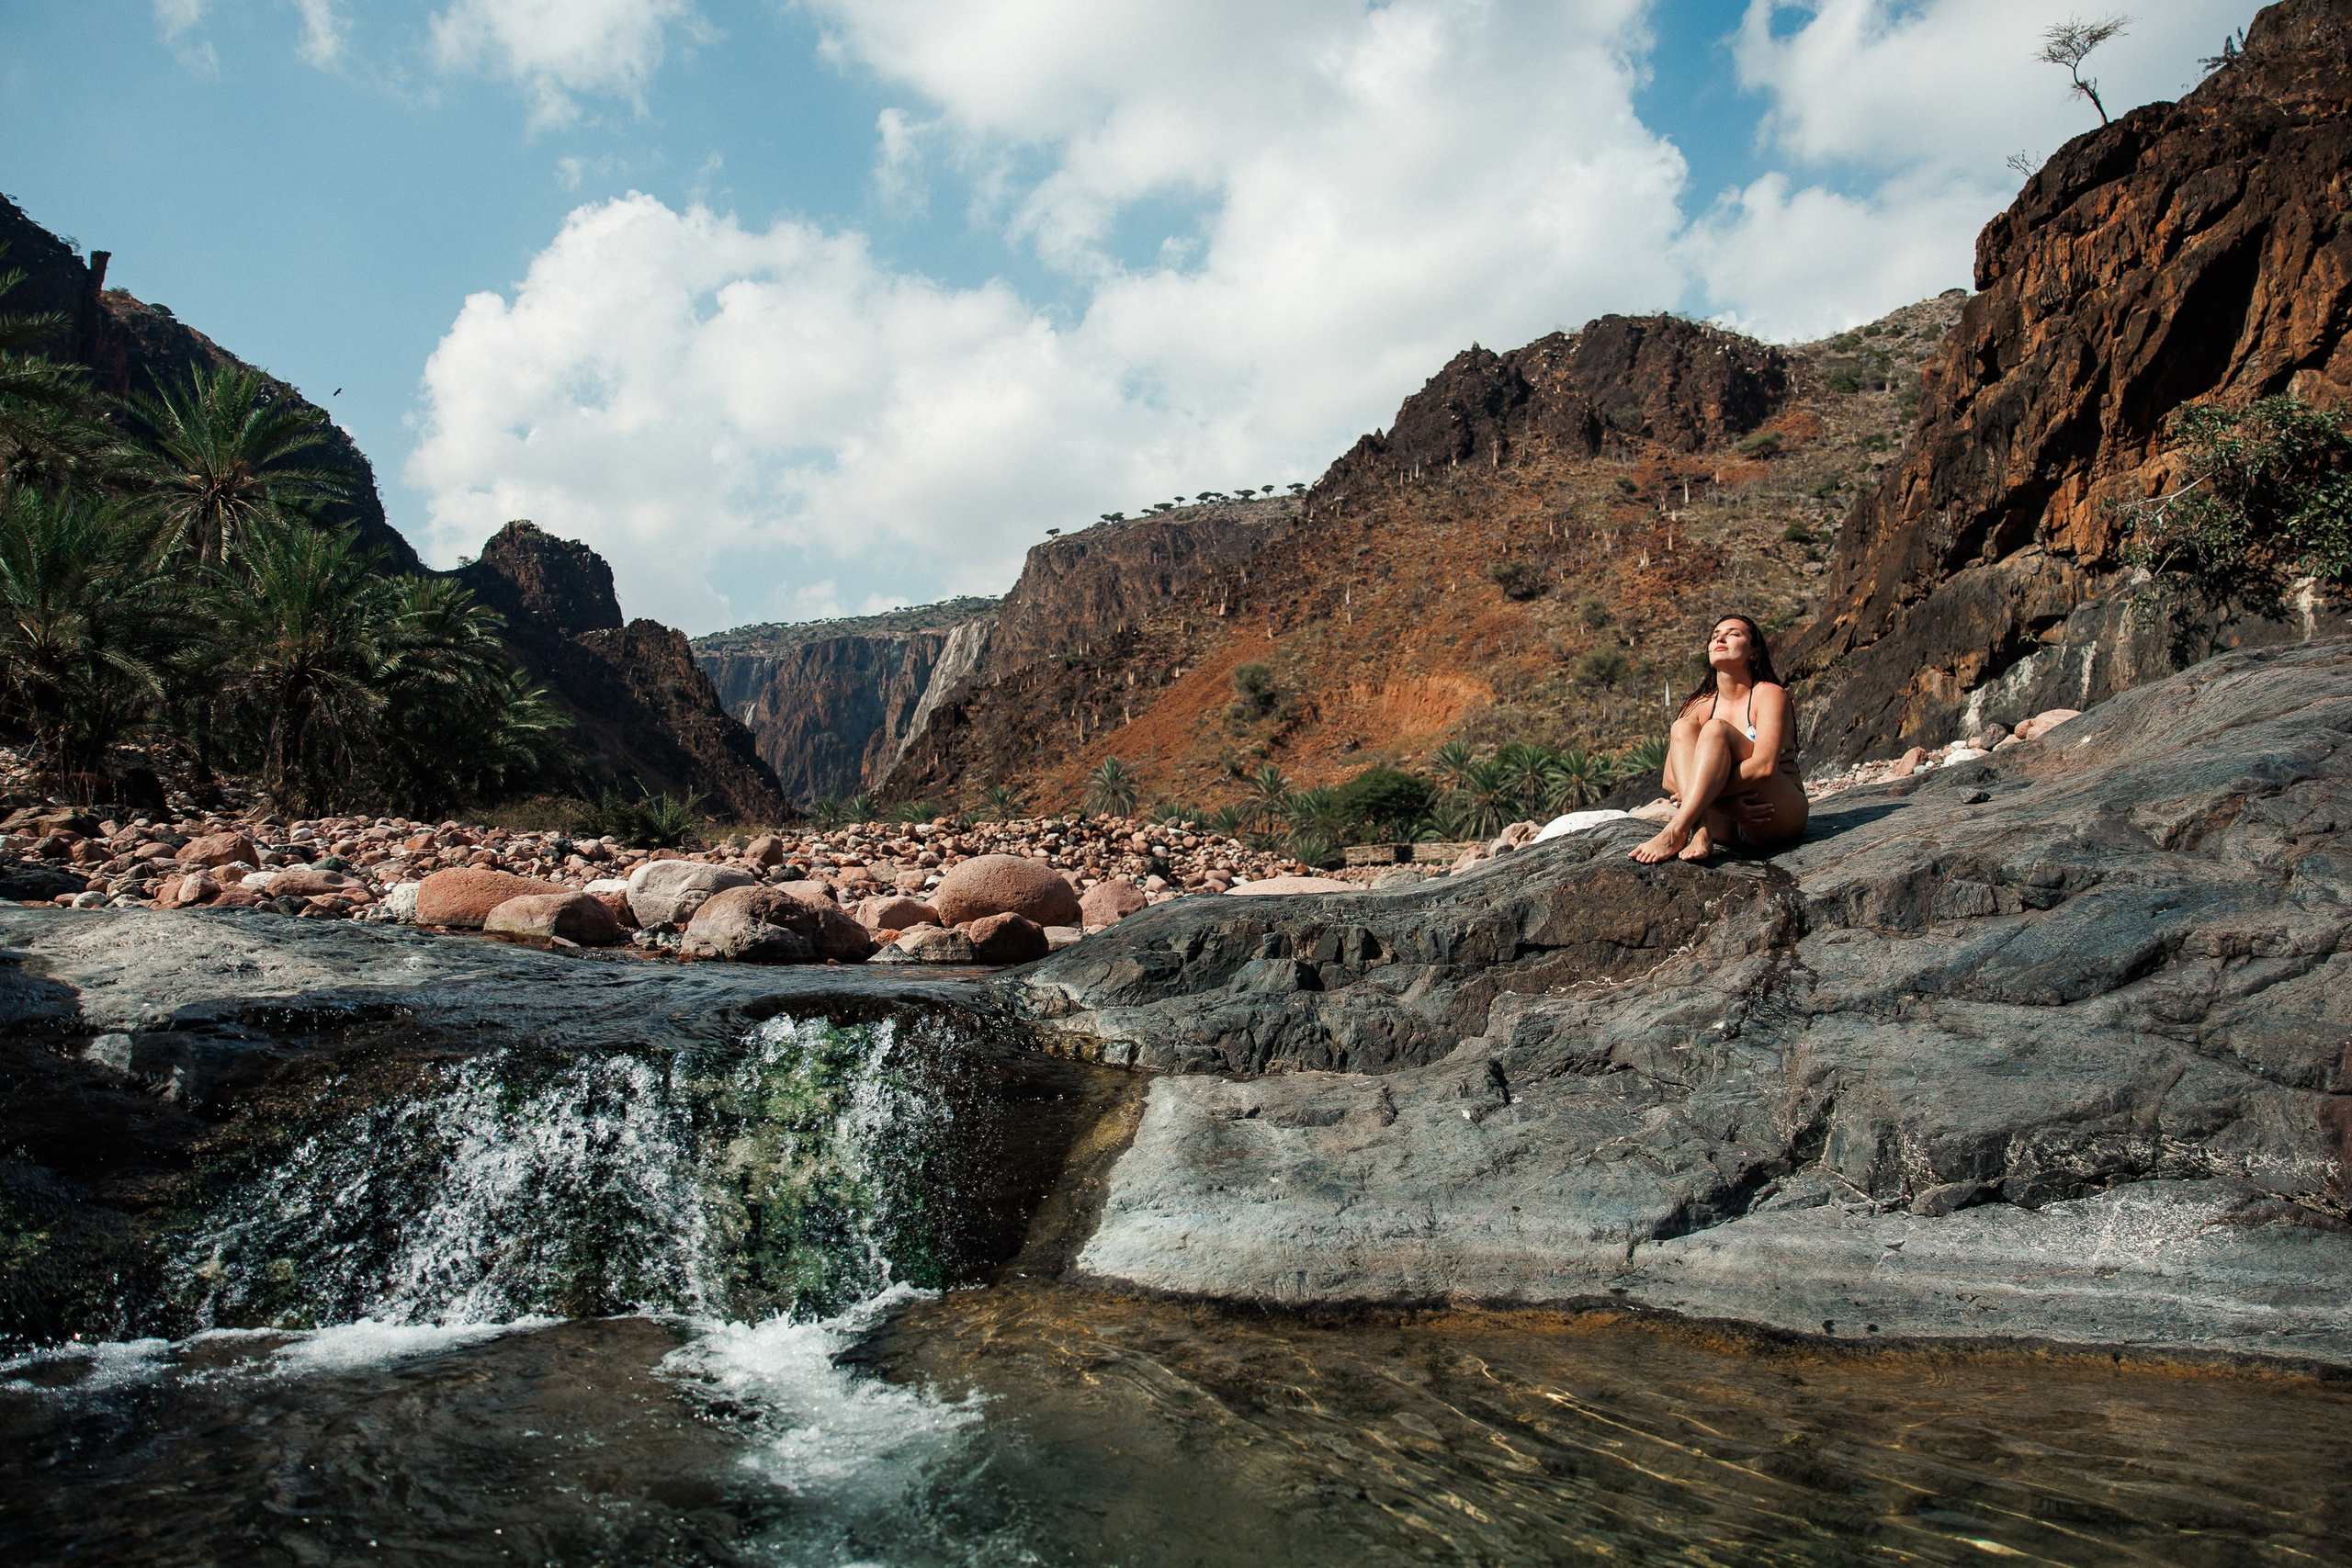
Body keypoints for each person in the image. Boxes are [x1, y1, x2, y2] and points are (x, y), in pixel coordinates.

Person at [1629, 615, 1808, 863]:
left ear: (1754, 652)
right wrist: (1724, 806)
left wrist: (1710, 796)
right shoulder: (1698, 704)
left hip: (1772, 812)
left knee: (1715, 730)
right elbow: (1670, 778)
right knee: (1682, 727)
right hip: (1722, 823)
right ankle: (1698, 830)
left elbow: (1764, 767)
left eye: (1734, 634)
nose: (1720, 638)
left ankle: (1676, 830)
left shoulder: (1770, 694)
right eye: (1715, 636)